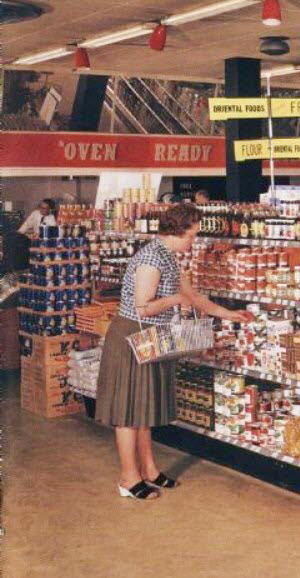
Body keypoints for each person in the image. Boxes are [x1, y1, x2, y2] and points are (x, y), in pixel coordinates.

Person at [95, 204, 251, 500]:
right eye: (191, 235)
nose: (194, 240)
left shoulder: (168, 255)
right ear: (175, 232)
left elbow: (193, 296)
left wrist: (228, 313)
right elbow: (143, 307)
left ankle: (149, 470)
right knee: (128, 411)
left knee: (143, 408)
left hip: (153, 337)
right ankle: (128, 478)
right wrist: (176, 299)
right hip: (133, 337)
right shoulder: (151, 258)